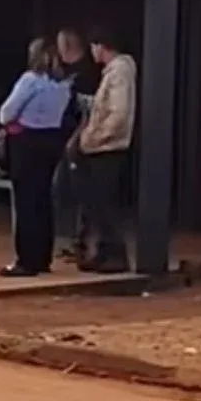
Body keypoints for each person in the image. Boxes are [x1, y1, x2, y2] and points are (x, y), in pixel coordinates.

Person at [0, 37, 72, 278]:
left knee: (26, 201)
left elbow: (6, 113)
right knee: (43, 199)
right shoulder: (63, 85)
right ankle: (42, 257)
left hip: (27, 141)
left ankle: (26, 260)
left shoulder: (30, 80)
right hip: (51, 141)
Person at [77, 26, 138, 273]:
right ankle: (103, 252)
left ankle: (115, 255)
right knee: (98, 203)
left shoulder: (119, 72)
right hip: (103, 146)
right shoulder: (113, 72)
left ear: (101, 46)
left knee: (106, 203)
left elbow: (119, 112)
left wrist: (95, 137)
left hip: (108, 147)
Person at [54, 28, 101, 263]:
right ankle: (78, 242)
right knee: (70, 192)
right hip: (72, 139)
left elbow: (88, 112)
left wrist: (77, 138)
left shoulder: (86, 75)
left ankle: (84, 244)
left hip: (80, 141)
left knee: (82, 194)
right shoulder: (71, 73)